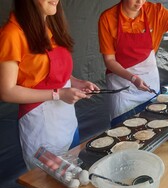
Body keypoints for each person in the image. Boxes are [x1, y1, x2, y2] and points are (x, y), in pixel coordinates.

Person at [0, 0, 100, 170]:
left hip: (67, 120)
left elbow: (55, 72)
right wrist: (58, 94)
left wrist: (76, 82)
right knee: (47, 187)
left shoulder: (51, 26)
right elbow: (6, 91)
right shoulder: (12, 34)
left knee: (74, 178)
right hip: (41, 125)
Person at [98, 0, 168, 123]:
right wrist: (133, 78)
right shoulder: (108, 18)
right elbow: (109, 60)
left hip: (149, 84)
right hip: (122, 89)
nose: (140, 2)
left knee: (154, 124)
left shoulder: (156, 12)